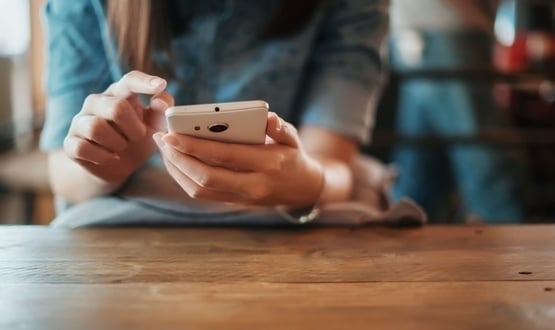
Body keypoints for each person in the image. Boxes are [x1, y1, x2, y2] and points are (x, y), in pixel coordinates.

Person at [39, 0, 391, 227]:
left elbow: (334, 164)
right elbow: (64, 175)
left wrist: (305, 183)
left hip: (284, 227)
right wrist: (106, 165)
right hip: (125, 226)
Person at [388, 0, 526, 223]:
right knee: (419, 179)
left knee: (479, 168)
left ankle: (517, 252)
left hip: (442, 29)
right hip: (432, 31)